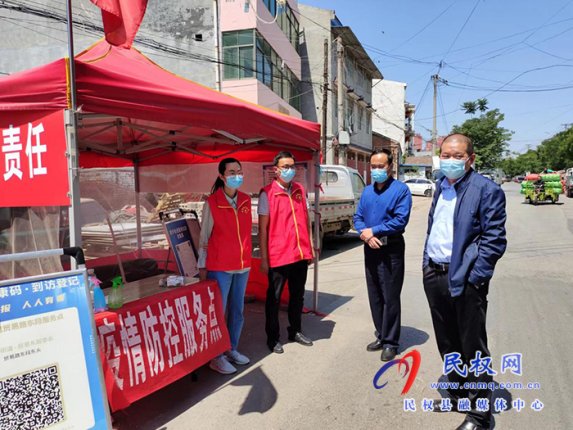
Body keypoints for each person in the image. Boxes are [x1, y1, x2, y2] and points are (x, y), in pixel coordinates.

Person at [422, 134, 507, 430]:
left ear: (471, 159)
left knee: (473, 347)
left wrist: (476, 277)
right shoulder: (441, 186)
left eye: (457, 156)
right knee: (447, 342)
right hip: (435, 274)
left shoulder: (487, 190)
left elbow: (494, 240)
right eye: (445, 155)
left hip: (466, 279)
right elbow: (434, 228)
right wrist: (426, 264)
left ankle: (480, 415)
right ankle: (459, 395)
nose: (450, 160)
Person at [353, 149, 412, 362]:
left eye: (381, 166)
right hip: (370, 246)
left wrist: (374, 231)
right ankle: (381, 333)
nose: (376, 170)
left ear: (390, 166)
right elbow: (358, 217)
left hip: (390, 248)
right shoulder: (368, 191)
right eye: (373, 166)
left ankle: (391, 342)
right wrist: (365, 234)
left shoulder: (401, 190)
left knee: (390, 296)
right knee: (375, 294)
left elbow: (400, 220)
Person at [198, 158, 252, 374]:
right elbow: (204, 238)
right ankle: (216, 356)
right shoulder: (212, 202)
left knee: (237, 311)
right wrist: (202, 266)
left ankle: (231, 348)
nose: (237, 175)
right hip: (220, 266)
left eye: (239, 171)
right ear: (222, 176)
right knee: (218, 313)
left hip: (243, 265)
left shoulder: (246, 200)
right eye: (231, 172)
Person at [258, 151, 314, 354]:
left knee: (298, 296)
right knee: (273, 299)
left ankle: (295, 330)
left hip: (299, 254)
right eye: (285, 167)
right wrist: (264, 259)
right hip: (278, 256)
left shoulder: (300, 190)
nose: (289, 170)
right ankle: (273, 338)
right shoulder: (267, 194)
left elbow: (306, 220)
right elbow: (263, 229)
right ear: (276, 170)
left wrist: (309, 248)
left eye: (292, 166)